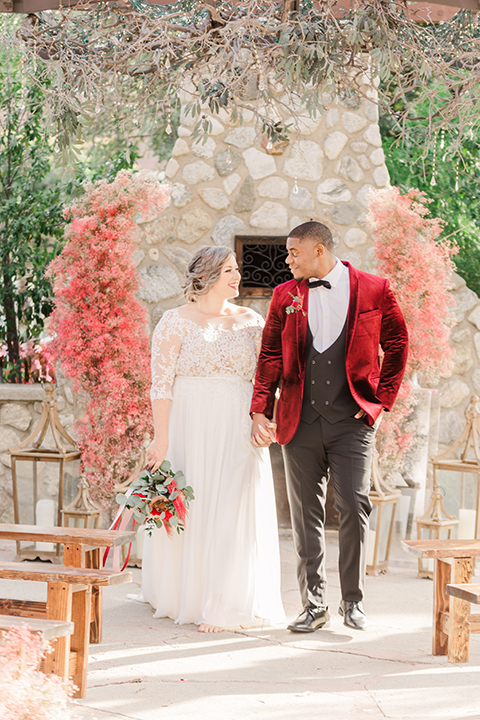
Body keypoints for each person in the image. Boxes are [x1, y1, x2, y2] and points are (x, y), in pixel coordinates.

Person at [250, 221, 408, 633]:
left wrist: (380, 401)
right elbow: (269, 353)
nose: (287, 260)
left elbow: (397, 344)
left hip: (351, 422)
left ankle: (352, 602)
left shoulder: (374, 288)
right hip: (297, 422)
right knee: (306, 515)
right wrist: (260, 410)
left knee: (354, 506)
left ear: (319, 250)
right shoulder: (285, 296)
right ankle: (313, 604)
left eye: (293, 253)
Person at [141, 245, 285, 633]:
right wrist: (161, 439)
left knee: (234, 505)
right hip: (190, 425)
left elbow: (266, 379)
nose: (237, 277)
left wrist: (262, 417)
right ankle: (185, 594)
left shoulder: (252, 321)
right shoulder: (174, 322)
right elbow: (161, 384)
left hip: (237, 425)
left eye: (236, 269)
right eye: (228, 271)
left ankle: (225, 600)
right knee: (195, 504)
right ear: (205, 278)